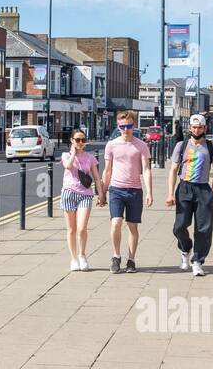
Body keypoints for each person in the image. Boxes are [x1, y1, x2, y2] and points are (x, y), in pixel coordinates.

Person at [166, 113, 213, 276]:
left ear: (205, 128)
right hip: (184, 188)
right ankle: (185, 248)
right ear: (190, 128)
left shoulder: (211, 146)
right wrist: (170, 193)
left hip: (203, 189)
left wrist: (212, 191)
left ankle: (197, 261)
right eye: (194, 127)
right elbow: (173, 170)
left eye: (200, 127)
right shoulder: (181, 146)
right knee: (179, 226)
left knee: (204, 228)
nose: (197, 130)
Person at [100, 110, 153, 273]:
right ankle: (116, 257)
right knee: (116, 222)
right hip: (116, 189)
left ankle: (131, 259)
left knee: (132, 227)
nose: (126, 129)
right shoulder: (112, 145)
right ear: (118, 126)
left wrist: (149, 192)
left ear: (134, 125)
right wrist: (102, 192)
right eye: (122, 126)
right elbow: (107, 170)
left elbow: (146, 169)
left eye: (129, 126)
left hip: (135, 190)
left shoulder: (141, 145)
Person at [59, 129, 103, 272]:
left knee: (82, 227)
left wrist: (101, 193)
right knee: (71, 229)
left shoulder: (90, 157)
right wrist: (73, 153)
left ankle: (82, 254)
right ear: (72, 140)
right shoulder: (66, 155)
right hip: (69, 194)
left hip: (85, 195)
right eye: (77, 140)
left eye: (83, 140)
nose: (80, 143)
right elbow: (68, 166)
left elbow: (96, 177)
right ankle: (73, 258)